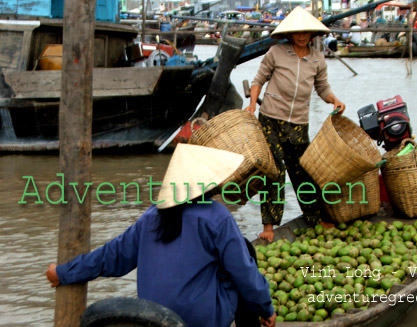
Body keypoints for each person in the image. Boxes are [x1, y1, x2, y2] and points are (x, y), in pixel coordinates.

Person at [45, 144, 276, 327]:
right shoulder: (217, 217)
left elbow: (111, 257)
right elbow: (244, 273)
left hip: (151, 318)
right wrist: (266, 309)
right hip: (201, 321)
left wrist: (64, 272)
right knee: (245, 254)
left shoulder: (151, 216)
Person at [243, 6, 346, 243]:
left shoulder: (317, 58)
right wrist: (252, 105)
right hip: (271, 119)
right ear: (290, 34)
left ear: (312, 34)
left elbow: (322, 88)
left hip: (299, 123)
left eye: (306, 32)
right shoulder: (276, 52)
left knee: (302, 173)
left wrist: (334, 100)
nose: (302, 36)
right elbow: (259, 80)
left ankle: (314, 218)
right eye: (297, 32)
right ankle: (268, 225)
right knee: (274, 172)